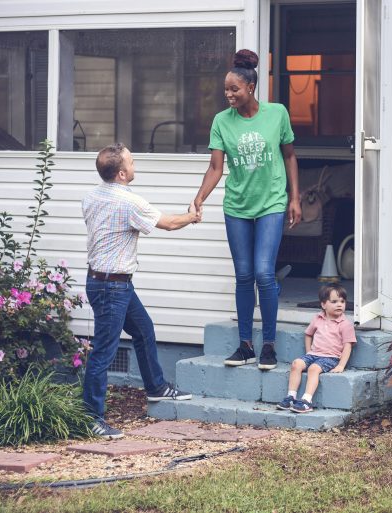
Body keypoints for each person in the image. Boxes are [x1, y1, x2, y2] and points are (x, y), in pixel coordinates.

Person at [193, 49, 301, 371]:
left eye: (234, 90)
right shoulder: (221, 122)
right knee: (244, 275)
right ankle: (245, 346)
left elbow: (290, 156)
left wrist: (294, 197)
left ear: (250, 88)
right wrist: (199, 197)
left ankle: (269, 344)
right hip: (237, 206)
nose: (228, 95)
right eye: (226, 90)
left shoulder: (277, 114)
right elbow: (215, 167)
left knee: (264, 273)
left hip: (271, 202)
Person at [82, 143, 199, 439]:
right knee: (103, 352)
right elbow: (169, 224)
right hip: (112, 286)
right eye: (132, 163)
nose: (135, 166)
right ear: (122, 173)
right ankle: (91, 418)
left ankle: (156, 387)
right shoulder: (128, 202)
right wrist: (192, 216)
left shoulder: (92, 195)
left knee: (144, 329)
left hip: (104, 282)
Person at [277, 284, 356, 413]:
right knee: (296, 364)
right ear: (324, 305)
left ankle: (307, 400)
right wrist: (309, 351)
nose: (339, 305)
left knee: (313, 369)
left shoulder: (345, 324)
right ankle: (291, 397)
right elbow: (308, 334)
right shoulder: (317, 319)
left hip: (331, 357)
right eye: (334, 301)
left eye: (342, 301)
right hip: (313, 354)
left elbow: (348, 345)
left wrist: (341, 365)